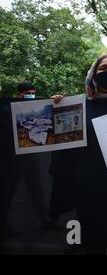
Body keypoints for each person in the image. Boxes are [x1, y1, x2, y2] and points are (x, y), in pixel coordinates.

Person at [51, 54, 107, 254]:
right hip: (87, 190)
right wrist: (56, 108)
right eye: (103, 68)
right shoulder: (78, 108)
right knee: (93, 245)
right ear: (93, 75)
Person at [0, 82, 60, 242]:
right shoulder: (8, 108)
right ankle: (3, 224)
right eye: (27, 93)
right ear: (19, 94)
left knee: (36, 186)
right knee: (8, 190)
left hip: (30, 154)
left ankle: (44, 220)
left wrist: (56, 101)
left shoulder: (36, 107)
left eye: (33, 92)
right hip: (12, 156)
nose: (30, 95)